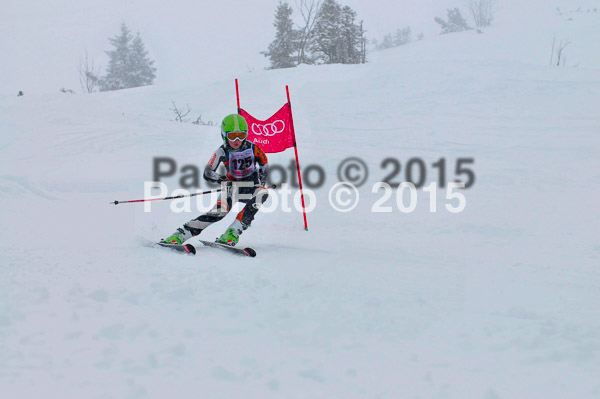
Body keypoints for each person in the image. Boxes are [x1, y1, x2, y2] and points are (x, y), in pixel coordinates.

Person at [161, 114, 269, 247]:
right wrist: (222, 179)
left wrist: (261, 183)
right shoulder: (221, 152)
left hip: (250, 188)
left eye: (241, 135)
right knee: (219, 213)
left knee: (262, 193)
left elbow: (264, 164)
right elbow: (208, 172)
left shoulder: (253, 149)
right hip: (232, 189)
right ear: (224, 135)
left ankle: (232, 232)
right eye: (232, 136)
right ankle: (181, 234)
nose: (237, 140)